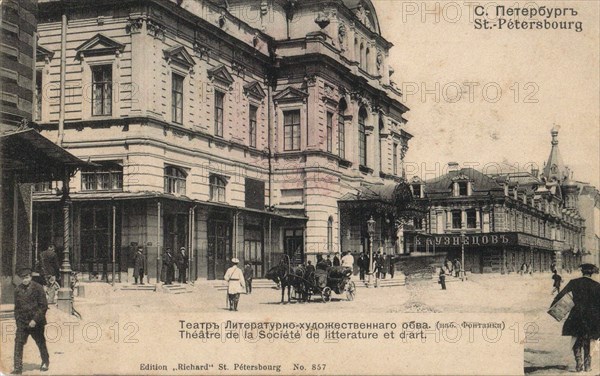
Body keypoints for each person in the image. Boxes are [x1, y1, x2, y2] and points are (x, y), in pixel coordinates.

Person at [550, 263, 600, 373]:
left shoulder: (574, 282)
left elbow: (561, 295)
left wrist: (553, 306)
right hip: (592, 317)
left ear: (582, 272)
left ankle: (578, 363)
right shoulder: (597, 285)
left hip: (576, 315)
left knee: (576, 339)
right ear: (591, 273)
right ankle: (587, 365)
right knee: (589, 340)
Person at [12, 268, 49, 374]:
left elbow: (43, 306)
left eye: (27, 277)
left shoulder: (38, 288)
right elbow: (17, 308)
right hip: (22, 322)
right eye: (23, 278)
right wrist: (18, 321)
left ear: (31, 277)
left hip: (36, 322)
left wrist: (34, 320)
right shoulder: (18, 290)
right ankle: (17, 367)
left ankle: (45, 361)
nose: (25, 280)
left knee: (40, 342)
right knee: (18, 343)